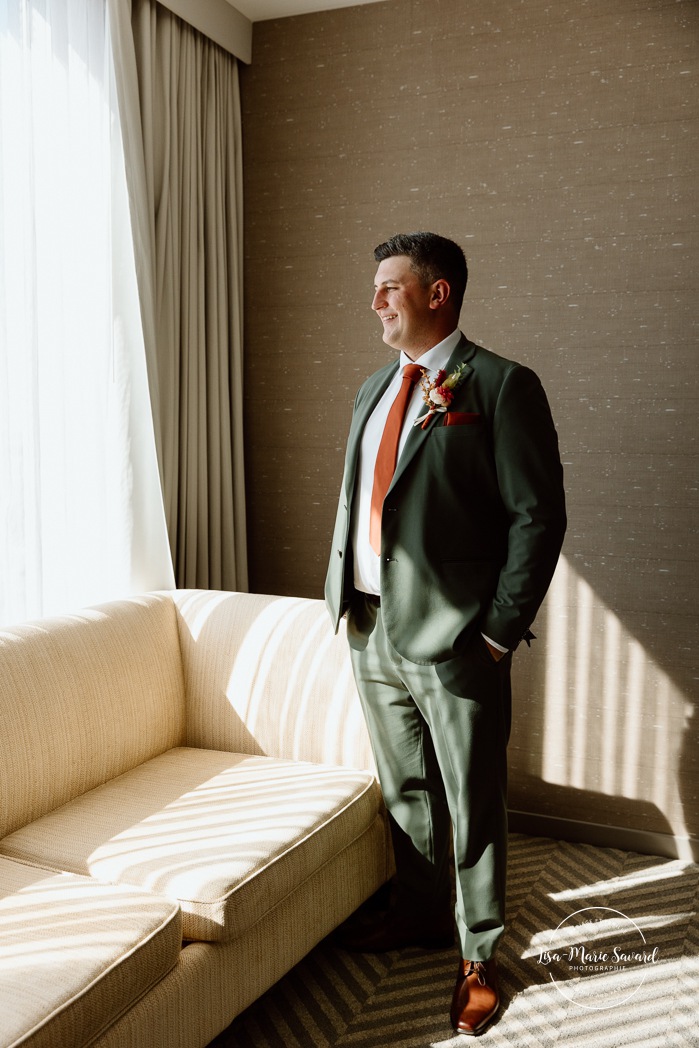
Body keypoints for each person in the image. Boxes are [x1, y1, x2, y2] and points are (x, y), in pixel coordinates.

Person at [324, 232, 567, 1036]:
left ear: (438, 294)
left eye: (391, 287)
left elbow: (536, 518)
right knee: (407, 791)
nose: (375, 301)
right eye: (375, 288)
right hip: (367, 625)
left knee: (473, 795)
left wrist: (498, 634)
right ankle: (421, 912)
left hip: (458, 640)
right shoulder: (371, 389)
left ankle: (478, 952)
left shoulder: (499, 386)